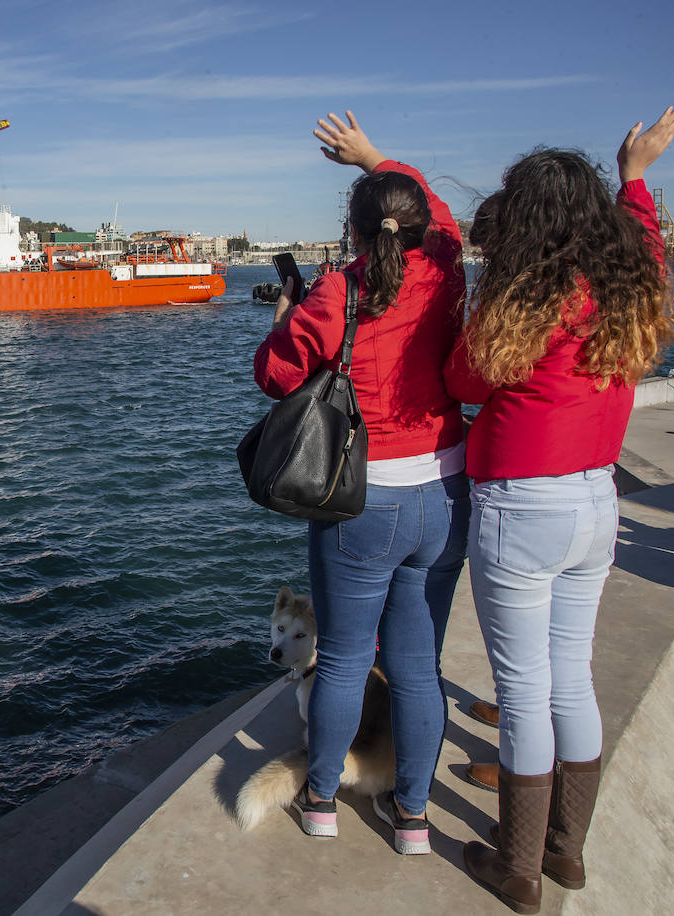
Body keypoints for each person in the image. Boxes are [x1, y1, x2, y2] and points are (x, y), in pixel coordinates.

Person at [444, 106, 674, 913]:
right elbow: (646, 240)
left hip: (522, 503)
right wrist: (635, 178)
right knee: (571, 678)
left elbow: (463, 381)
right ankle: (565, 851)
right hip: (596, 500)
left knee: (523, 690)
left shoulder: (526, 296)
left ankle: (516, 869)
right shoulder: (627, 287)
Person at [253, 110, 469, 855]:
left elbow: (274, 375)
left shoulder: (338, 292)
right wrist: (373, 156)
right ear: (416, 228)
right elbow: (440, 215)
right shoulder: (446, 269)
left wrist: (286, 317)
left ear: (353, 233)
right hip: (444, 493)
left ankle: (320, 801)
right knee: (417, 668)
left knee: (345, 660)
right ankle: (412, 815)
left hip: (363, 499)